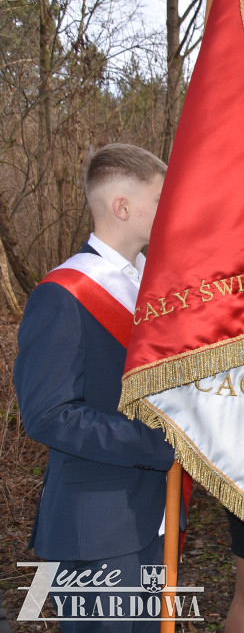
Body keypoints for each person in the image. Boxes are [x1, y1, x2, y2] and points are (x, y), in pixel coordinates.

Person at [14, 144, 175, 632]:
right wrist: (160, 443)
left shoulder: (157, 285)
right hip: (97, 525)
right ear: (121, 207)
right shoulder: (62, 295)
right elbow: (48, 413)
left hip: (155, 512)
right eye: (160, 199)